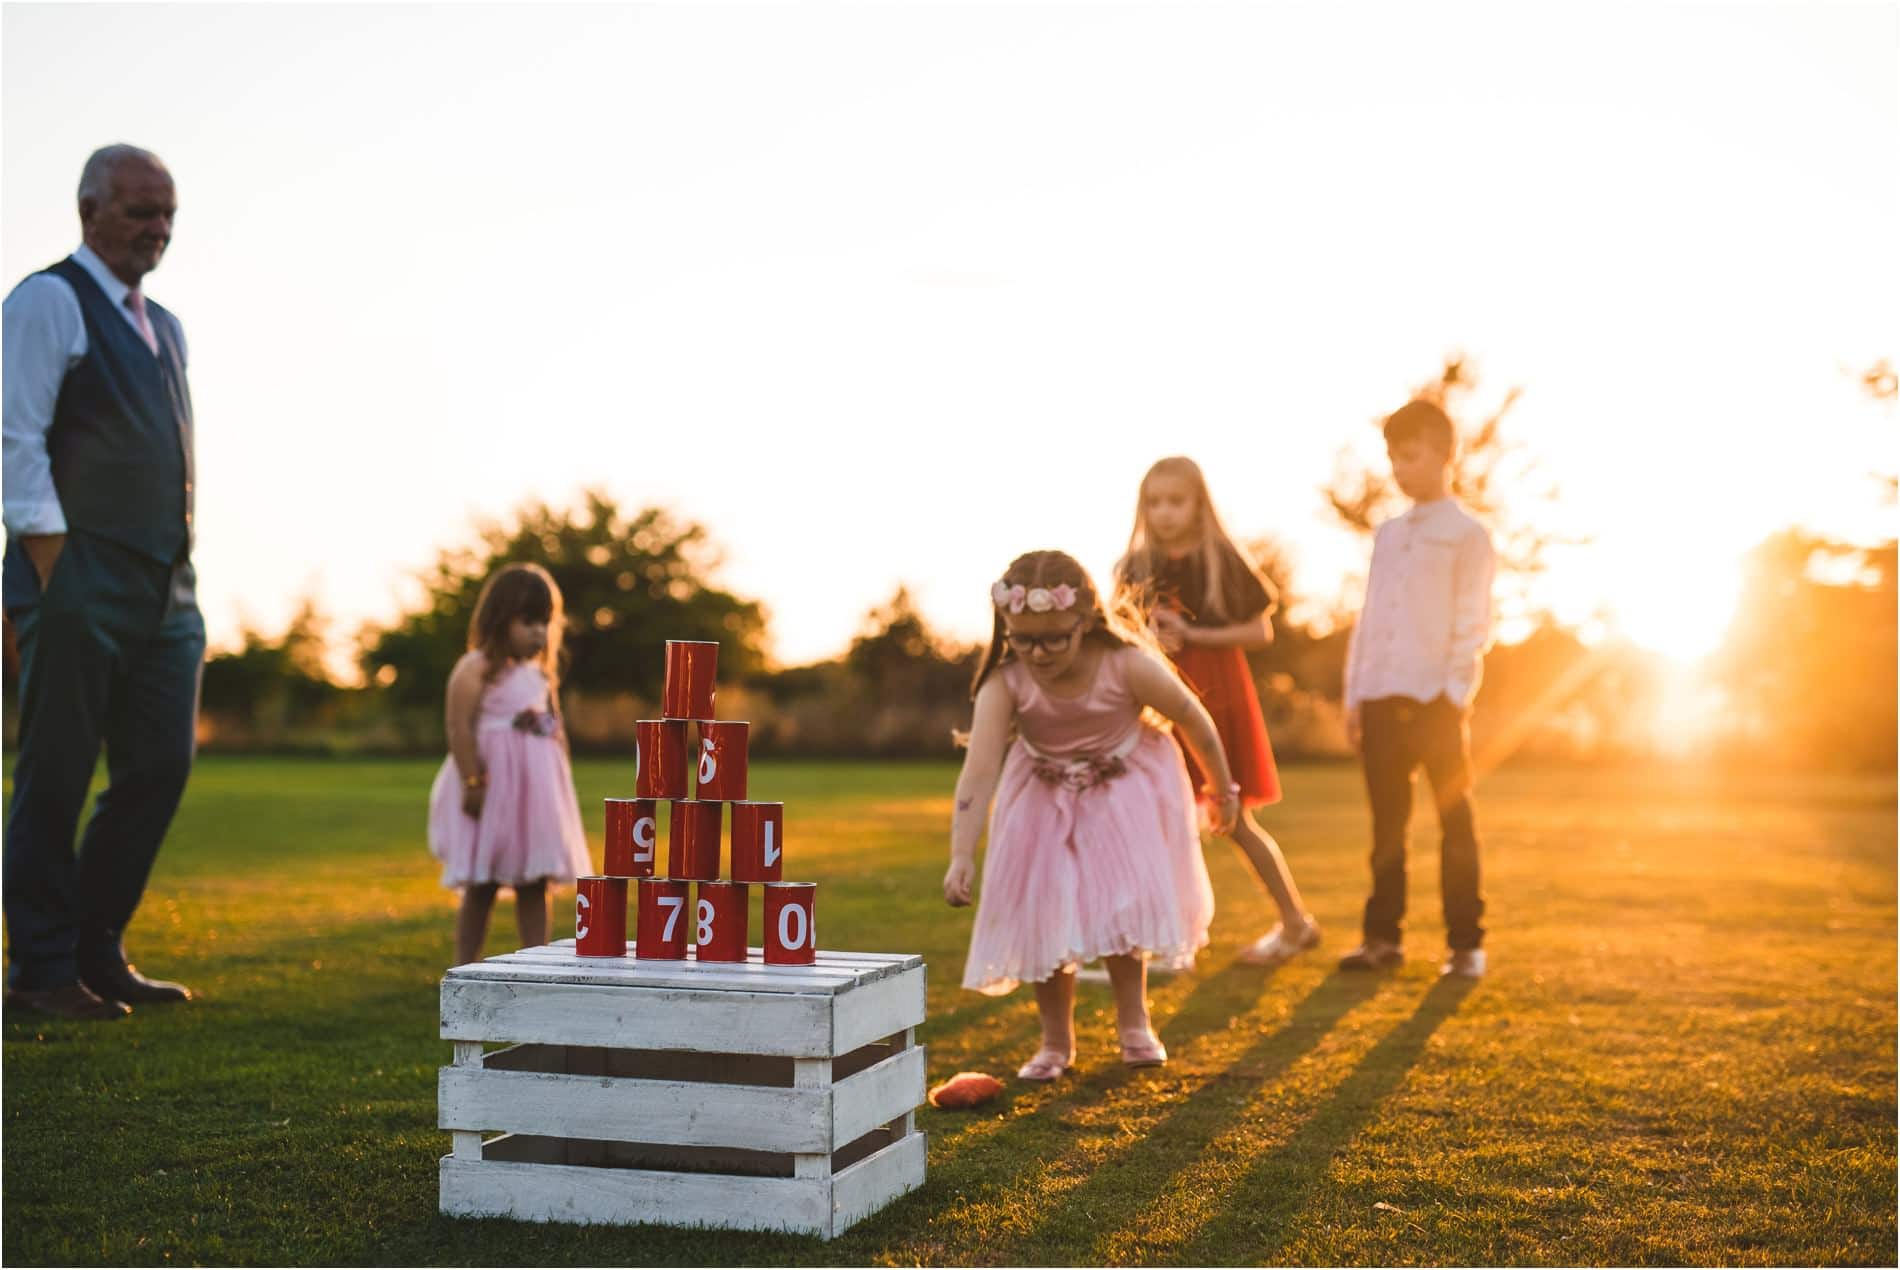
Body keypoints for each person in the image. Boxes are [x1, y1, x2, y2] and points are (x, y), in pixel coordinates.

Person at [2, 144, 200, 1020]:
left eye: (167, 215)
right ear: (90, 212)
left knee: (159, 764)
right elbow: (14, 435)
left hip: (167, 586)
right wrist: (54, 566)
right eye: (139, 213)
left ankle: (95, 948)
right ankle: (41, 971)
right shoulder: (48, 300)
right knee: (57, 769)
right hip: (74, 574)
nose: (157, 230)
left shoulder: (169, 327)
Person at [943, 550, 1235, 1080]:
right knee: (1043, 908)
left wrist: (1222, 787)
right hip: (1041, 794)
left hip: (1121, 790)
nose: (1038, 652)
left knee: (1121, 905)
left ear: (1086, 622)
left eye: (1054, 636)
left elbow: (1193, 716)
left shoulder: (1125, 663)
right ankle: (1055, 1043)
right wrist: (961, 855)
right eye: (1023, 638)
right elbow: (979, 770)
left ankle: (1135, 1023)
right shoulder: (1005, 682)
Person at [1114, 456, 1322, 967]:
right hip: (1156, 702)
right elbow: (1118, 636)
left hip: (1217, 697)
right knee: (1157, 819)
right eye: (1155, 502)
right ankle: (1164, 939)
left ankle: (1295, 923)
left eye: (1175, 501)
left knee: (1236, 819)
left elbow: (1260, 631)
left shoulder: (1223, 559)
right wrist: (1149, 638)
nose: (1164, 513)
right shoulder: (1133, 567)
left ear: (1198, 503)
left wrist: (1193, 636)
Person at [1338, 399, 1497, 978]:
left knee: (1455, 824)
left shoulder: (1467, 535)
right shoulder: (1387, 536)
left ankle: (1465, 945)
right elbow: (1370, 617)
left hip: (1436, 702)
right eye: (1392, 459)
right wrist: (1354, 696)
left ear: (1443, 454)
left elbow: (1472, 621)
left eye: (1410, 456)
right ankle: (1382, 939)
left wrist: (1454, 692)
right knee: (1387, 827)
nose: (1399, 469)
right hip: (1380, 698)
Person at [427, 563, 591, 966]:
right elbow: (458, 725)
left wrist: (561, 779)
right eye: (529, 621)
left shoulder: (540, 675)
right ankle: (465, 965)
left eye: (545, 623)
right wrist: (471, 779)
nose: (539, 632)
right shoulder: (476, 668)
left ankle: (535, 965)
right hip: (492, 789)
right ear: (500, 618)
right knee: (481, 883)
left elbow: (556, 730)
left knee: (535, 882)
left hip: (534, 797)